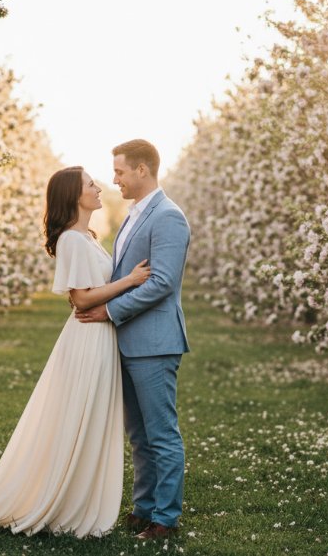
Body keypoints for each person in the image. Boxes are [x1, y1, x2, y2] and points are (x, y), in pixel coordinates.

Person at [0, 166, 151, 538]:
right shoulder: (71, 241)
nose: (98, 188)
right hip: (87, 338)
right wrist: (129, 281)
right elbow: (81, 298)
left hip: (100, 334)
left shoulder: (87, 237)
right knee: (78, 415)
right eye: (90, 184)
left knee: (89, 416)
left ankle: (77, 495)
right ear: (73, 196)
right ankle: (62, 500)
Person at [75, 139, 191, 540]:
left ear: (143, 170)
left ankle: (166, 518)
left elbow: (162, 282)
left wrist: (108, 311)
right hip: (128, 342)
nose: (114, 179)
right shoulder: (132, 215)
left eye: (121, 171)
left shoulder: (168, 216)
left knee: (161, 433)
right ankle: (144, 507)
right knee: (139, 435)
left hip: (155, 343)